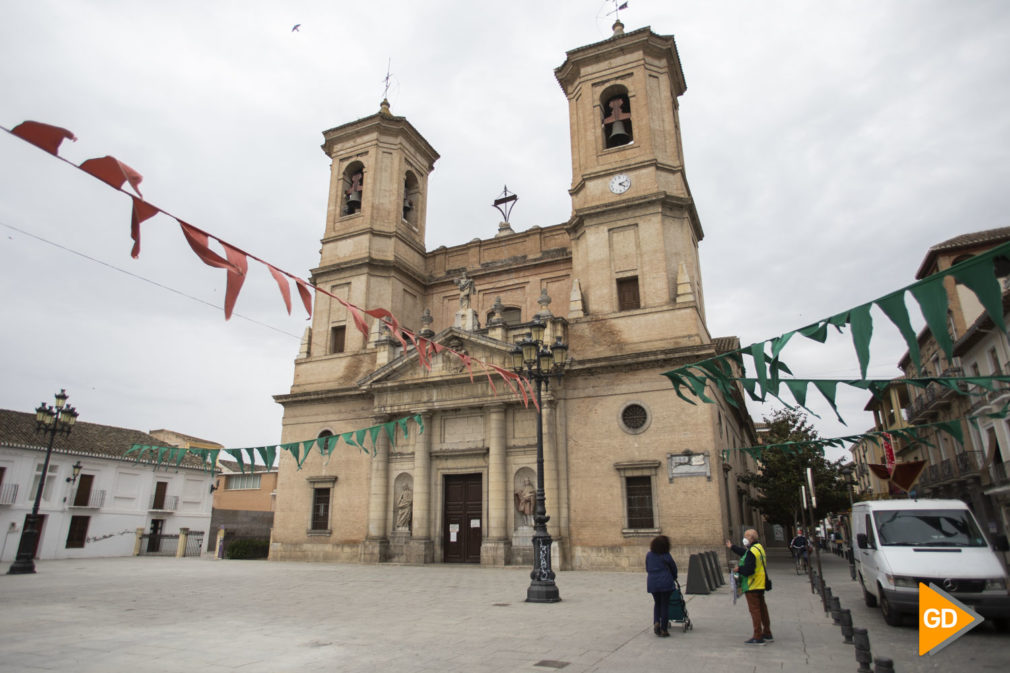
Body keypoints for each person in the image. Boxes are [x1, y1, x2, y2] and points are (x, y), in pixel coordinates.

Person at [726, 529, 772, 644]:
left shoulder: (752, 551)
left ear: (751, 538)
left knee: (755, 610)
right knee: (762, 608)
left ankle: (758, 636)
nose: (744, 538)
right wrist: (732, 547)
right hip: (760, 583)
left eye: (746, 536)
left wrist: (739, 569)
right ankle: (767, 632)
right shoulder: (758, 548)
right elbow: (744, 553)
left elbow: (749, 570)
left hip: (752, 584)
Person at [646, 535, 678, 637]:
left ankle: (656, 622)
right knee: (664, 605)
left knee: (657, 603)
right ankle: (664, 629)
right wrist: (674, 577)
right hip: (665, 582)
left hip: (652, 582)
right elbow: (673, 568)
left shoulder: (649, 555)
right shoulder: (666, 555)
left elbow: (647, 568)